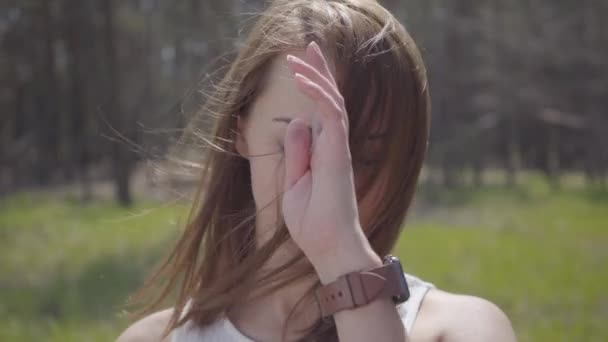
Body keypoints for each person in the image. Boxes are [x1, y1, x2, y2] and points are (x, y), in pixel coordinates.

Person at [117, 0, 517, 341]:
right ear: (242, 135)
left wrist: (342, 258)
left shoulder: (458, 329)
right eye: (299, 142)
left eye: (365, 158)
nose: (328, 183)